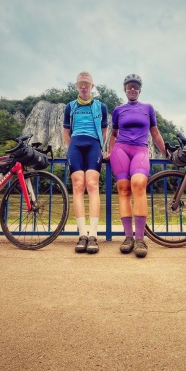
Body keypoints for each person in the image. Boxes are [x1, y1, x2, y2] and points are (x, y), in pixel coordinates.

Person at [107, 74, 167, 258]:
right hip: (120, 151)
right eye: (129, 87)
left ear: (140, 89)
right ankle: (128, 238)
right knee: (124, 189)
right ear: (125, 90)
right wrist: (109, 152)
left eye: (135, 87)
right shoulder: (118, 110)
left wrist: (166, 152)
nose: (132, 90)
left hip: (140, 150)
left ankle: (140, 239)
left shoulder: (148, 108)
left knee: (139, 185)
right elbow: (114, 134)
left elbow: (155, 133)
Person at [62, 71, 108, 254]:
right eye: (80, 83)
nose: (83, 86)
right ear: (76, 86)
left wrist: (101, 146)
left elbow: (104, 129)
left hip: (93, 145)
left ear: (92, 86)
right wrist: (70, 146)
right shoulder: (70, 107)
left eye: (86, 83)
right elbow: (65, 131)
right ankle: (82, 234)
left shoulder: (100, 107)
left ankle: (93, 235)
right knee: (78, 185)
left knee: (92, 184)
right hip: (76, 145)